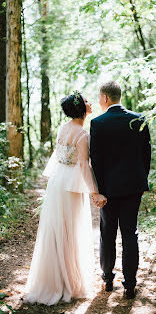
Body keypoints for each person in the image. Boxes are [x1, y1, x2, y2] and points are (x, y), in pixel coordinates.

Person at [24, 91, 106, 306]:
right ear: (81, 108)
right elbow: (83, 166)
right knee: (70, 228)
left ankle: (58, 279)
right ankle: (68, 281)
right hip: (71, 185)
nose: (90, 103)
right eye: (87, 101)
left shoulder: (63, 128)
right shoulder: (83, 135)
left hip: (57, 181)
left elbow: (58, 156)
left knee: (58, 228)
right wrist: (94, 191)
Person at [90, 81, 151, 299]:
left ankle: (107, 280)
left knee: (107, 233)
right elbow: (146, 155)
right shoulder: (138, 119)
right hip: (133, 186)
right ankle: (130, 285)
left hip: (108, 190)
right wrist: (142, 182)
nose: (99, 101)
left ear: (105, 98)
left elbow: (95, 161)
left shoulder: (97, 123)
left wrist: (99, 190)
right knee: (130, 233)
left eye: (99, 97)